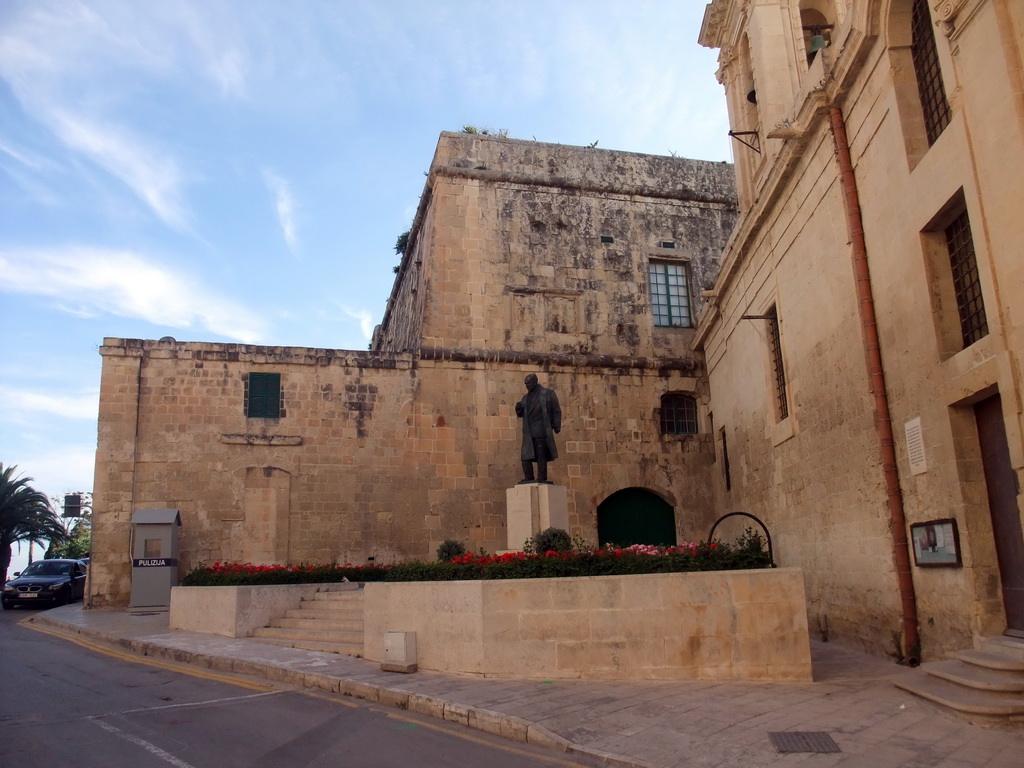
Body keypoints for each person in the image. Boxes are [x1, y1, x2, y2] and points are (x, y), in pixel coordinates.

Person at [515, 374, 561, 483]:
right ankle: (528, 477)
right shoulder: (525, 398)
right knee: (525, 457)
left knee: (541, 456)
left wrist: (556, 424)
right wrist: (518, 408)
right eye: (525, 384)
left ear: (535, 382)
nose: (527, 386)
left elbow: (556, 410)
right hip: (528, 432)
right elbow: (521, 414)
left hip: (541, 430)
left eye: (529, 383)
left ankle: (541, 477)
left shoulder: (548, 394)